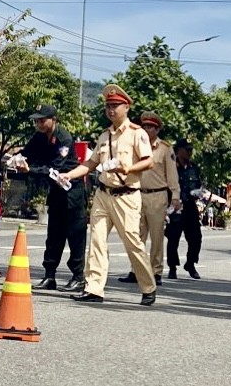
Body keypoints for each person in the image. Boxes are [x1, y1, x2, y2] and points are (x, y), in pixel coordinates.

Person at [60, 84, 158, 306]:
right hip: (104, 194)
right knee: (96, 241)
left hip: (127, 195)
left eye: (115, 106)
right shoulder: (104, 136)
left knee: (133, 242)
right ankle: (94, 288)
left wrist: (127, 168)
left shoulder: (137, 133)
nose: (111, 110)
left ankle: (148, 286)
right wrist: (70, 175)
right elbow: (92, 163)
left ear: (126, 107)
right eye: (108, 106)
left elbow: (148, 161)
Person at [16, 104, 87, 293]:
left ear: (53, 119)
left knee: (75, 236)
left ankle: (78, 277)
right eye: (36, 120)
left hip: (72, 191)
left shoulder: (64, 138)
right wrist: (16, 160)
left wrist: (29, 169)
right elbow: (27, 153)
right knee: (54, 234)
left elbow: (55, 168)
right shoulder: (39, 137)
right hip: (56, 191)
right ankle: (49, 275)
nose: (38, 123)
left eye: (42, 120)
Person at [118, 111, 180, 287]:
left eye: (151, 127)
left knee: (156, 236)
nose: (147, 129)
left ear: (157, 129)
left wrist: (175, 196)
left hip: (157, 195)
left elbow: (172, 176)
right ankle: (135, 270)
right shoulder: (136, 145)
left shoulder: (164, 149)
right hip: (136, 193)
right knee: (135, 235)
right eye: (144, 126)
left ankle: (156, 271)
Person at [166, 138, 203, 280]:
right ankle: (172, 267)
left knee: (196, 238)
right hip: (175, 206)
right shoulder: (172, 167)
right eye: (187, 150)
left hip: (190, 206)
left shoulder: (194, 168)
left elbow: (198, 185)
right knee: (173, 238)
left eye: (191, 150)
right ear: (179, 150)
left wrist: (198, 192)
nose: (189, 152)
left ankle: (191, 263)